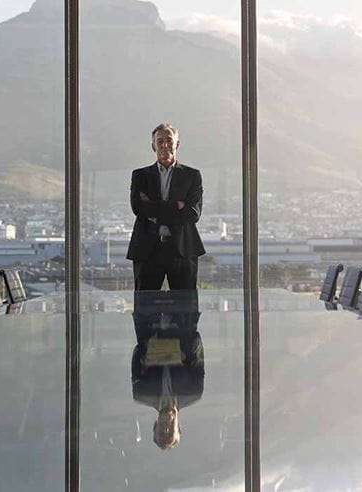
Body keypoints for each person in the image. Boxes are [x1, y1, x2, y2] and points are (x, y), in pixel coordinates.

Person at [127, 123, 205, 291]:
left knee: (186, 310)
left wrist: (154, 208)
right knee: (144, 310)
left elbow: (193, 214)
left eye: (169, 140)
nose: (165, 145)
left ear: (177, 144)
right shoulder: (140, 176)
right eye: (160, 141)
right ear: (153, 146)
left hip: (183, 250)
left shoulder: (192, 175)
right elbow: (139, 209)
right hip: (148, 249)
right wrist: (177, 206)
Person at [131, 290, 204, 450]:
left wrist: (148, 353)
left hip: (148, 316)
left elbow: (137, 351)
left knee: (147, 278)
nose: (166, 428)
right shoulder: (194, 392)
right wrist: (182, 354)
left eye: (161, 432)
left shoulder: (141, 393)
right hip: (183, 316)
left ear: (154, 426)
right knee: (183, 276)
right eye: (170, 433)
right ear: (179, 428)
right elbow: (197, 343)